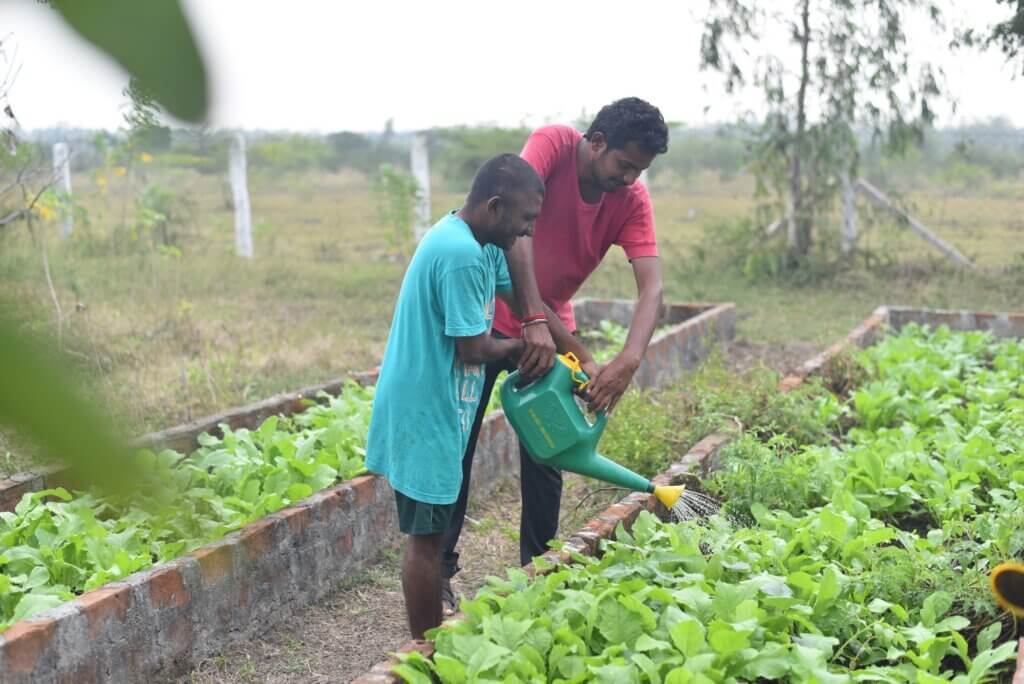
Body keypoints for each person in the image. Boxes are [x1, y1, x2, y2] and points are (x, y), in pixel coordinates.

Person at [440, 97, 670, 613]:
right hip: (487, 315)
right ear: (596, 142)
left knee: (552, 451)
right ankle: (439, 569)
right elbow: (516, 225)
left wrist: (628, 360)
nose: (631, 179)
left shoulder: (630, 200)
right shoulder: (553, 144)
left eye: (641, 171)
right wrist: (532, 319)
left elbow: (651, 288)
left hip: (549, 326)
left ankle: (537, 569)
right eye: (624, 165)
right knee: (458, 442)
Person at [365, 153, 544, 640]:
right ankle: (427, 654)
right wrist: (523, 348)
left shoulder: (482, 243)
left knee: (433, 532)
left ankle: (430, 645)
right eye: (525, 219)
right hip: (425, 412)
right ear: (495, 206)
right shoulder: (461, 253)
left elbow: (527, 303)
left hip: (440, 408)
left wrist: (560, 344)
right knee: (426, 543)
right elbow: (473, 349)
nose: (527, 233)